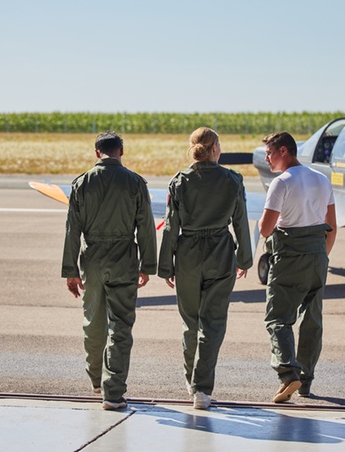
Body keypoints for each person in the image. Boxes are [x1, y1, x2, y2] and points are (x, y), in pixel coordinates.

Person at [158, 127, 253, 410]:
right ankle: (202, 389)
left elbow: (171, 226)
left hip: (187, 254)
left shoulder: (179, 181)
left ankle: (192, 381)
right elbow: (240, 222)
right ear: (215, 149)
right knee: (213, 323)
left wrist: (166, 266)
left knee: (190, 321)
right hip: (220, 252)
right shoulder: (233, 179)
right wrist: (244, 259)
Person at [62, 131, 158, 410]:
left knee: (93, 321)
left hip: (91, 258)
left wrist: (71, 270)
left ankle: (95, 380)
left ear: (96, 153)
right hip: (124, 258)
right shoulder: (135, 182)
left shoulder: (81, 183)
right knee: (121, 326)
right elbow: (146, 227)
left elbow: (72, 230)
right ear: (121, 151)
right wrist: (147, 265)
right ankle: (113, 392)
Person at [257, 131, 337, 403]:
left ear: (283, 151)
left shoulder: (281, 183)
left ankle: (288, 373)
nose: (266, 158)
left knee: (278, 318)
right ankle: (305, 381)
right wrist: (321, 256)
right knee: (312, 320)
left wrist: (260, 224)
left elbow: (267, 229)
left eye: (269, 152)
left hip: (290, 256)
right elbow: (332, 225)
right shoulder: (322, 179)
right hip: (317, 256)